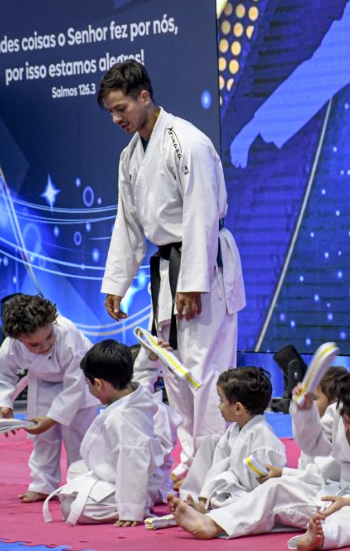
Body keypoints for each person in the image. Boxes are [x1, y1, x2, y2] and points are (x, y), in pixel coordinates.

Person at [97, 60, 246, 484]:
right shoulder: (130, 156)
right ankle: (190, 459)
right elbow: (127, 223)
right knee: (175, 373)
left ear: (144, 97)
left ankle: (215, 468)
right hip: (167, 270)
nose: (117, 119)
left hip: (202, 267)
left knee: (206, 372)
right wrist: (117, 283)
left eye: (121, 108)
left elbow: (202, 213)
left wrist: (193, 282)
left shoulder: (187, 142)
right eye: (111, 112)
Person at [169, 364, 350, 551]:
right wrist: (303, 412)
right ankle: (213, 523)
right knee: (276, 488)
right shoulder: (336, 412)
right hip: (332, 494)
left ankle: (319, 538)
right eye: (349, 422)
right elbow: (311, 444)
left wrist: (348, 502)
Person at [44, 340, 175, 525]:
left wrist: (131, 511)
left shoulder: (124, 418)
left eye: (88, 384)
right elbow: (144, 376)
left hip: (137, 481)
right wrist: (150, 358)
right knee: (76, 469)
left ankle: (141, 502)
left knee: (73, 508)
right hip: (122, 471)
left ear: (98, 384)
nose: (89, 389)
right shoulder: (136, 393)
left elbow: (132, 465)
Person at [0, 294, 99, 502]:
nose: (44, 346)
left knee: (80, 437)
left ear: (52, 323)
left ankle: (83, 484)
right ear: (18, 339)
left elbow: (75, 382)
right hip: (42, 381)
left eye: (49, 337)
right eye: (34, 344)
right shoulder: (12, 345)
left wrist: (52, 418)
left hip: (82, 380)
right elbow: (2, 373)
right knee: (42, 438)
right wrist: (4, 404)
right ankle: (43, 485)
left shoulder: (68, 334)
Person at [176, 367, 287, 511]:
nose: (219, 406)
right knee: (211, 441)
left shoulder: (263, 435)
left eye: (221, 400)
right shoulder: (234, 430)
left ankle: (207, 509)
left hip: (253, 498)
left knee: (240, 501)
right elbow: (217, 468)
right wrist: (204, 498)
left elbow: (265, 489)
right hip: (233, 491)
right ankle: (196, 501)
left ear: (238, 408)